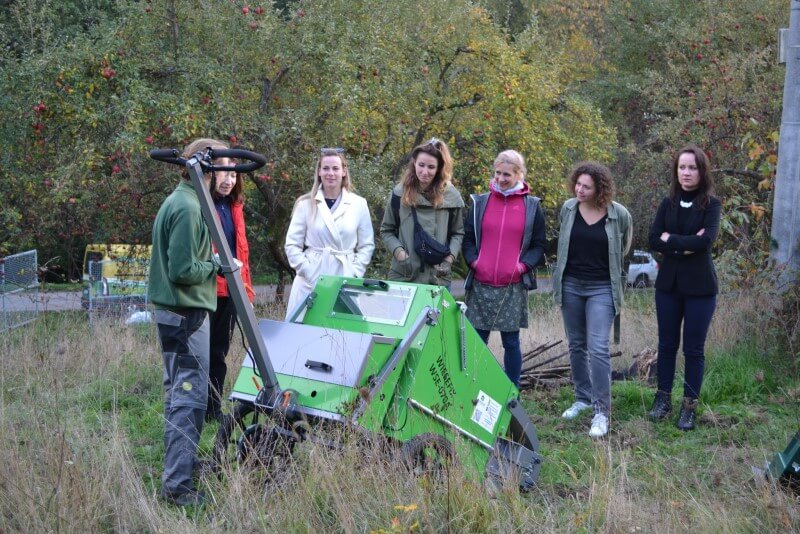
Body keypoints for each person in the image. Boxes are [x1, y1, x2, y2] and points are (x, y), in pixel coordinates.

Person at [148, 137, 231, 506]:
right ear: (206, 168)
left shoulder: (188, 200)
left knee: (178, 395)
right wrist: (216, 264)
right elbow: (182, 270)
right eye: (222, 166)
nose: (227, 174)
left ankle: (179, 466)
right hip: (186, 315)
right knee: (189, 398)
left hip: (181, 314)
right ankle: (178, 487)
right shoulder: (188, 208)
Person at [553, 162, 632, 438]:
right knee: (576, 344)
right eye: (578, 184)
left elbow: (623, 249)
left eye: (586, 186)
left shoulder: (618, 214)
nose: (580, 190)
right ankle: (582, 398)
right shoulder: (568, 209)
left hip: (602, 288)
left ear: (600, 188)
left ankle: (601, 411)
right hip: (571, 285)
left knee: (598, 347)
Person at [647, 145, 721, 431]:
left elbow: (706, 242)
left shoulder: (711, 205)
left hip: (701, 288)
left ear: (702, 171)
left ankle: (689, 407)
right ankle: (662, 400)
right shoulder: (668, 203)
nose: (686, 172)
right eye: (682, 167)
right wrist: (686, 243)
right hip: (668, 286)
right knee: (666, 345)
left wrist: (672, 241)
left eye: (692, 167)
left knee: (694, 349)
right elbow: (654, 239)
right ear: (675, 171)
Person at [462, 150, 547, 387]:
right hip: (481, 283)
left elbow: (539, 245)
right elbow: (468, 239)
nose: (500, 179)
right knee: (477, 341)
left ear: (519, 174)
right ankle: (472, 385)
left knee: (511, 342)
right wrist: (474, 262)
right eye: (497, 173)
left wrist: (522, 267)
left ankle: (512, 390)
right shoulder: (480, 202)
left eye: (507, 174)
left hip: (512, 284)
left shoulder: (531, 206)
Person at [284, 148, 375, 318]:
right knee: (303, 335)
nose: (330, 173)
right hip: (310, 279)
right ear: (319, 172)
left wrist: (354, 273)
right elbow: (292, 245)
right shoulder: (305, 204)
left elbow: (367, 245)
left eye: (335, 168)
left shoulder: (358, 204)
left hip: (344, 276)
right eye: (326, 168)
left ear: (344, 171)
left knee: (342, 335)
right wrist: (309, 272)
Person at [380, 138, 465, 286]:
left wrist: (448, 259)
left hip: (438, 277)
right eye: (421, 165)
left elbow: (458, 233)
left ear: (439, 168)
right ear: (414, 163)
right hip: (404, 275)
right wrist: (401, 254)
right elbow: (387, 230)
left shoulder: (451, 197)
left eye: (431, 167)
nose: (424, 172)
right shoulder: (399, 194)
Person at [207, 166, 255, 422]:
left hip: (232, 289)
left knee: (219, 350)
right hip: (208, 288)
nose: (228, 180)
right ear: (212, 174)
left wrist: (246, 289)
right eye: (224, 173)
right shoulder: (203, 205)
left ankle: (213, 409)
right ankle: (198, 407)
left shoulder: (234, 207)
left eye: (234, 175)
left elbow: (241, 252)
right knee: (202, 350)